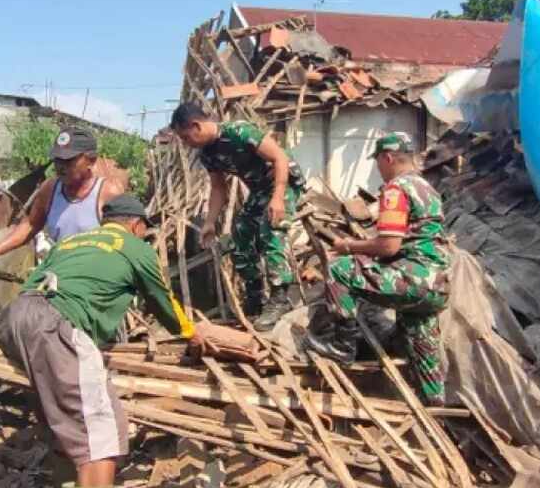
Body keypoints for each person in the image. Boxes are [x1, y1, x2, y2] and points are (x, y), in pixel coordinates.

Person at [0, 195, 204, 488]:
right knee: (102, 436)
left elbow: (38, 283)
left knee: (67, 425)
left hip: (15, 317)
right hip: (55, 323)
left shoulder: (74, 241)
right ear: (137, 225)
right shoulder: (134, 246)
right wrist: (191, 333)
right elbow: (161, 300)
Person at [304, 131, 451, 406]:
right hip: (438, 285)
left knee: (341, 269)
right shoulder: (427, 189)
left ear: (388, 157)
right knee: (421, 337)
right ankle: (435, 401)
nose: (378, 168)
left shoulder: (396, 189)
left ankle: (341, 346)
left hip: (413, 278)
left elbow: (389, 247)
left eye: (378, 162)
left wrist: (349, 246)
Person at [168, 102, 305, 330]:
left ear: (196, 126)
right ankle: (256, 297)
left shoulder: (239, 132)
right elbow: (218, 188)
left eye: (185, 137)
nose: (186, 144)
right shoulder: (207, 154)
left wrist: (279, 197)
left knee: (271, 230)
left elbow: (279, 158)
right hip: (260, 190)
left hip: (284, 182)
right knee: (240, 235)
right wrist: (210, 222)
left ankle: (280, 298)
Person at [0, 126, 123, 269]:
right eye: (57, 159)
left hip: (96, 280)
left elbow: (125, 244)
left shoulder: (108, 193)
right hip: (59, 274)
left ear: (91, 160)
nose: (60, 166)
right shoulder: (50, 189)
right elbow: (31, 225)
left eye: (69, 160)